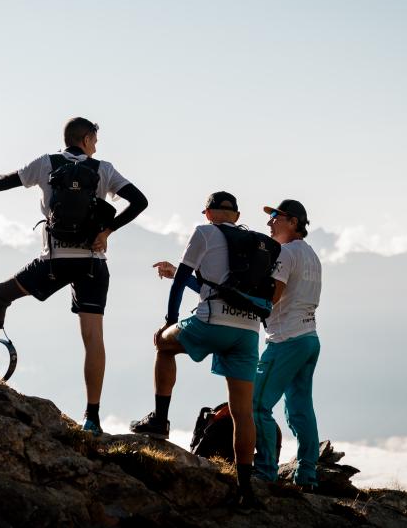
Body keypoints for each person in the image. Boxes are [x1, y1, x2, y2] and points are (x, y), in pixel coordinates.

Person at [0, 117, 147, 434]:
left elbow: (7, 180)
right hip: (92, 264)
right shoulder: (104, 169)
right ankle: (92, 418)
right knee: (93, 339)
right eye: (95, 140)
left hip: (54, 261)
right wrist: (108, 230)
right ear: (86, 139)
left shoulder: (46, 163)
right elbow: (139, 201)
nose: (96, 147)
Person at [130, 192, 263, 508]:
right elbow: (217, 287)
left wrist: (169, 321)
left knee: (163, 346)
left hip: (211, 321)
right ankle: (246, 489)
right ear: (237, 214)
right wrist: (173, 270)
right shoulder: (255, 242)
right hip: (248, 331)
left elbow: (182, 283)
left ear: (207, 213)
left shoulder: (204, 233)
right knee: (243, 412)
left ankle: (159, 421)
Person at [252, 199, 322, 489]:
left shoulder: (285, 254)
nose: (270, 223)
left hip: (285, 340)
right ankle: (307, 474)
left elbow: (272, 297)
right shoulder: (312, 256)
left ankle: (265, 470)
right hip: (309, 338)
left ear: (293, 223)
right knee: (300, 408)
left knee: (256, 404)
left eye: (276, 217)